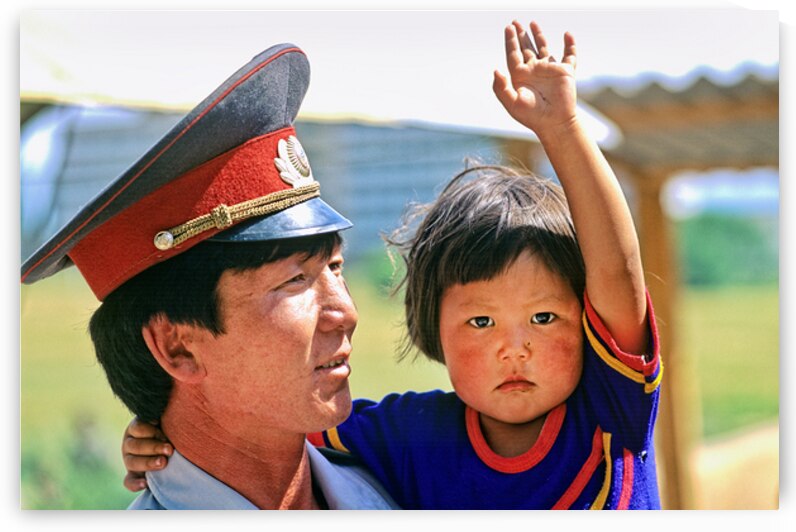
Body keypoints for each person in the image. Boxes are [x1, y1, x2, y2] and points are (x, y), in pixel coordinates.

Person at [121, 20, 663, 509]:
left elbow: (618, 273)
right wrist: (169, 440)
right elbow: (260, 420)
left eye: (544, 318)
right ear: (434, 328)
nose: (514, 347)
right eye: (480, 321)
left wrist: (563, 129)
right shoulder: (409, 435)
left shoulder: (609, 411)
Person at [20, 43, 399, 510]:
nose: (345, 312)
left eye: (335, 267)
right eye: (295, 280)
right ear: (177, 346)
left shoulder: (403, 486)